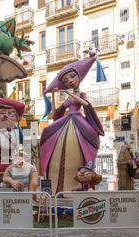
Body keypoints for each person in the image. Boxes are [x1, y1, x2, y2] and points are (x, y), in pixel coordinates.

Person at [39, 56, 105, 194]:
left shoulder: (79, 93)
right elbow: (56, 114)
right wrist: (54, 98)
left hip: (78, 120)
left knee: (91, 135)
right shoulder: (68, 97)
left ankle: (83, 182)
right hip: (67, 119)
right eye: (65, 80)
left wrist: (73, 95)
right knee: (47, 131)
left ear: (78, 76)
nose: (69, 81)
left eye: (72, 76)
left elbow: (86, 104)